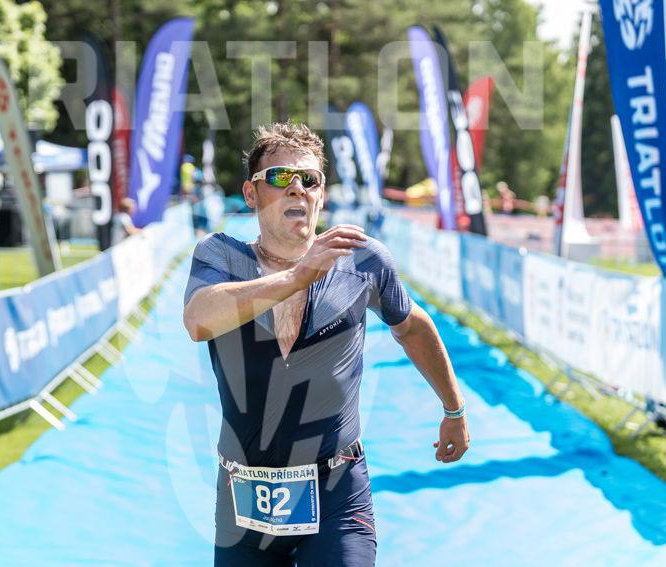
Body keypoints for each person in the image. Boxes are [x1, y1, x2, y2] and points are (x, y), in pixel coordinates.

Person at [183, 122, 469, 566]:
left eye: (310, 179)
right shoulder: (220, 255)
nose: (297, 188)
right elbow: (198, 320)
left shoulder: (361, 259)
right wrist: (297, 276)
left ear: (321, 195)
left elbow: (412, 327)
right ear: (251, 193)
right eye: (280, 176)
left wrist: (454, 409)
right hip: (244, 497)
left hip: (337, 489)